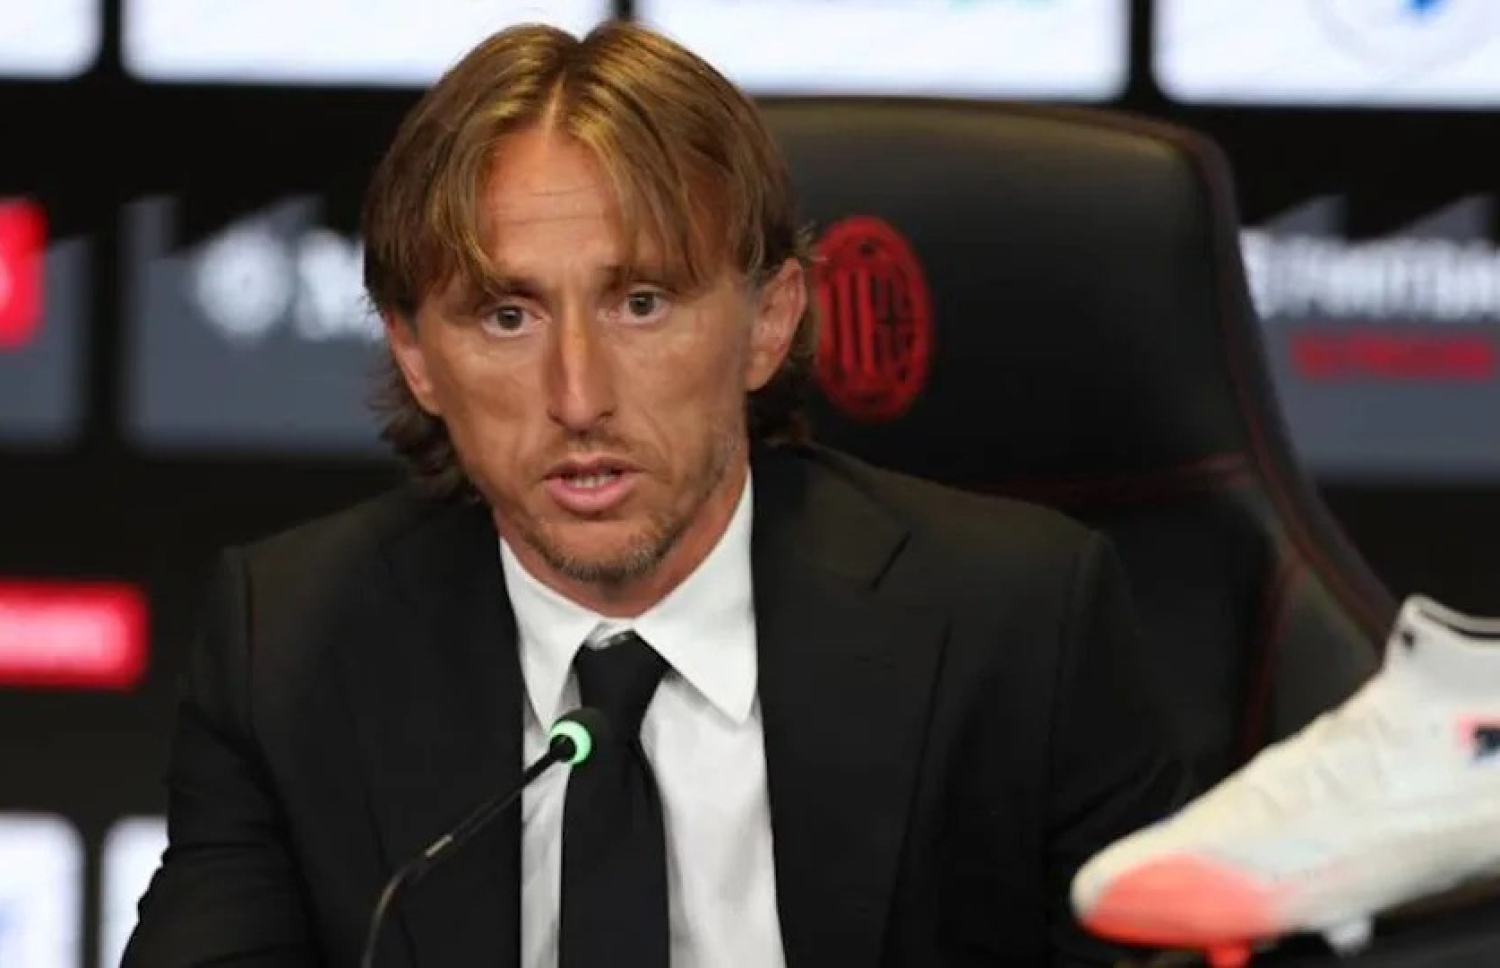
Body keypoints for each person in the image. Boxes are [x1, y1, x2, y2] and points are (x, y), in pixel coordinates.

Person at [123, 19, 1190, 968]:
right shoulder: (292, 646)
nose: (577, 397)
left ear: (769, 321)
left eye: (641, 302)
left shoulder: (1020, 628)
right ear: (416, 356)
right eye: (506, 316)